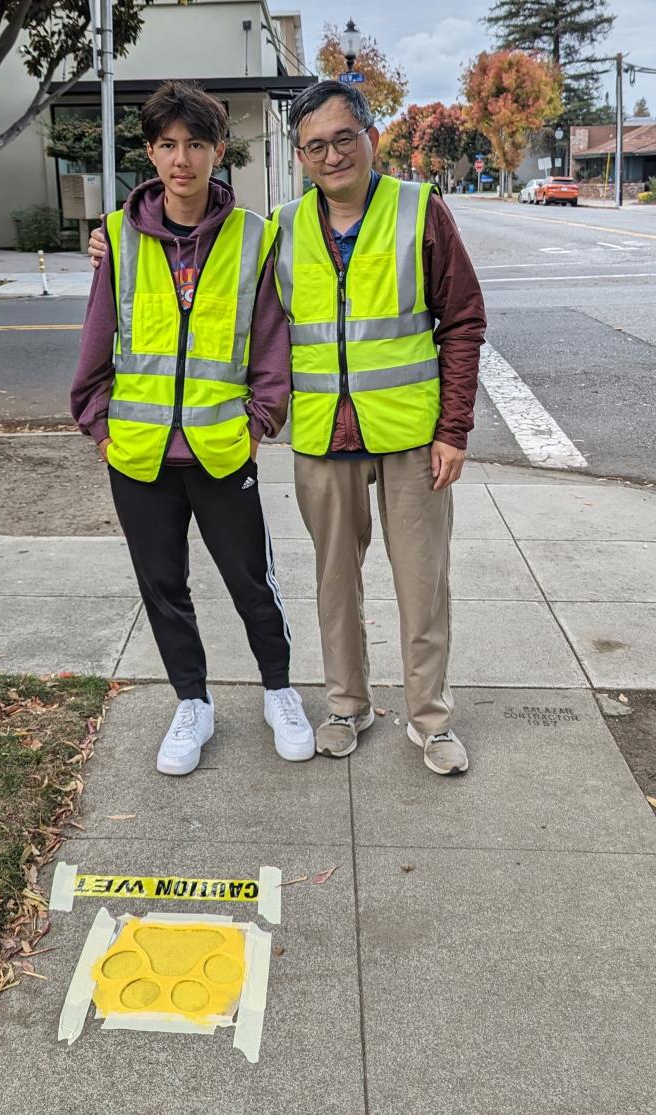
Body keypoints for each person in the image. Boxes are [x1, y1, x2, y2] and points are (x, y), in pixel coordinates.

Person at [71, 80, 313, 776]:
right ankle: (192, 703)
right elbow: (96, 341)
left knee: (251, 581)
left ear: (218, 151)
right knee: (162, 584)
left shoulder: (253, 237)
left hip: (220, 449)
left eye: (196, 144)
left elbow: (271, 342)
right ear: (151, 152)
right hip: (138, 454)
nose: (182, 159)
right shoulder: (116, 237)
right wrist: (99, 428)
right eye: (169, 145)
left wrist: (259, 423)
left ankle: (278, 690)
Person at [273, 81, 486, 775]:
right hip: (321, 436)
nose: (332, 154)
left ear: (371, 137)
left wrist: (453, 428)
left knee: (423, 584)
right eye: (315, 145)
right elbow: (199, 251)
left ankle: (430, 719)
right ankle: (347, 705)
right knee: (335, 584)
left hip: (411, 436)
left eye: (343, 137)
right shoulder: (281, 228)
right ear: (299, 154)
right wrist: (108, 243)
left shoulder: (420, 210)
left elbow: (461, 320)